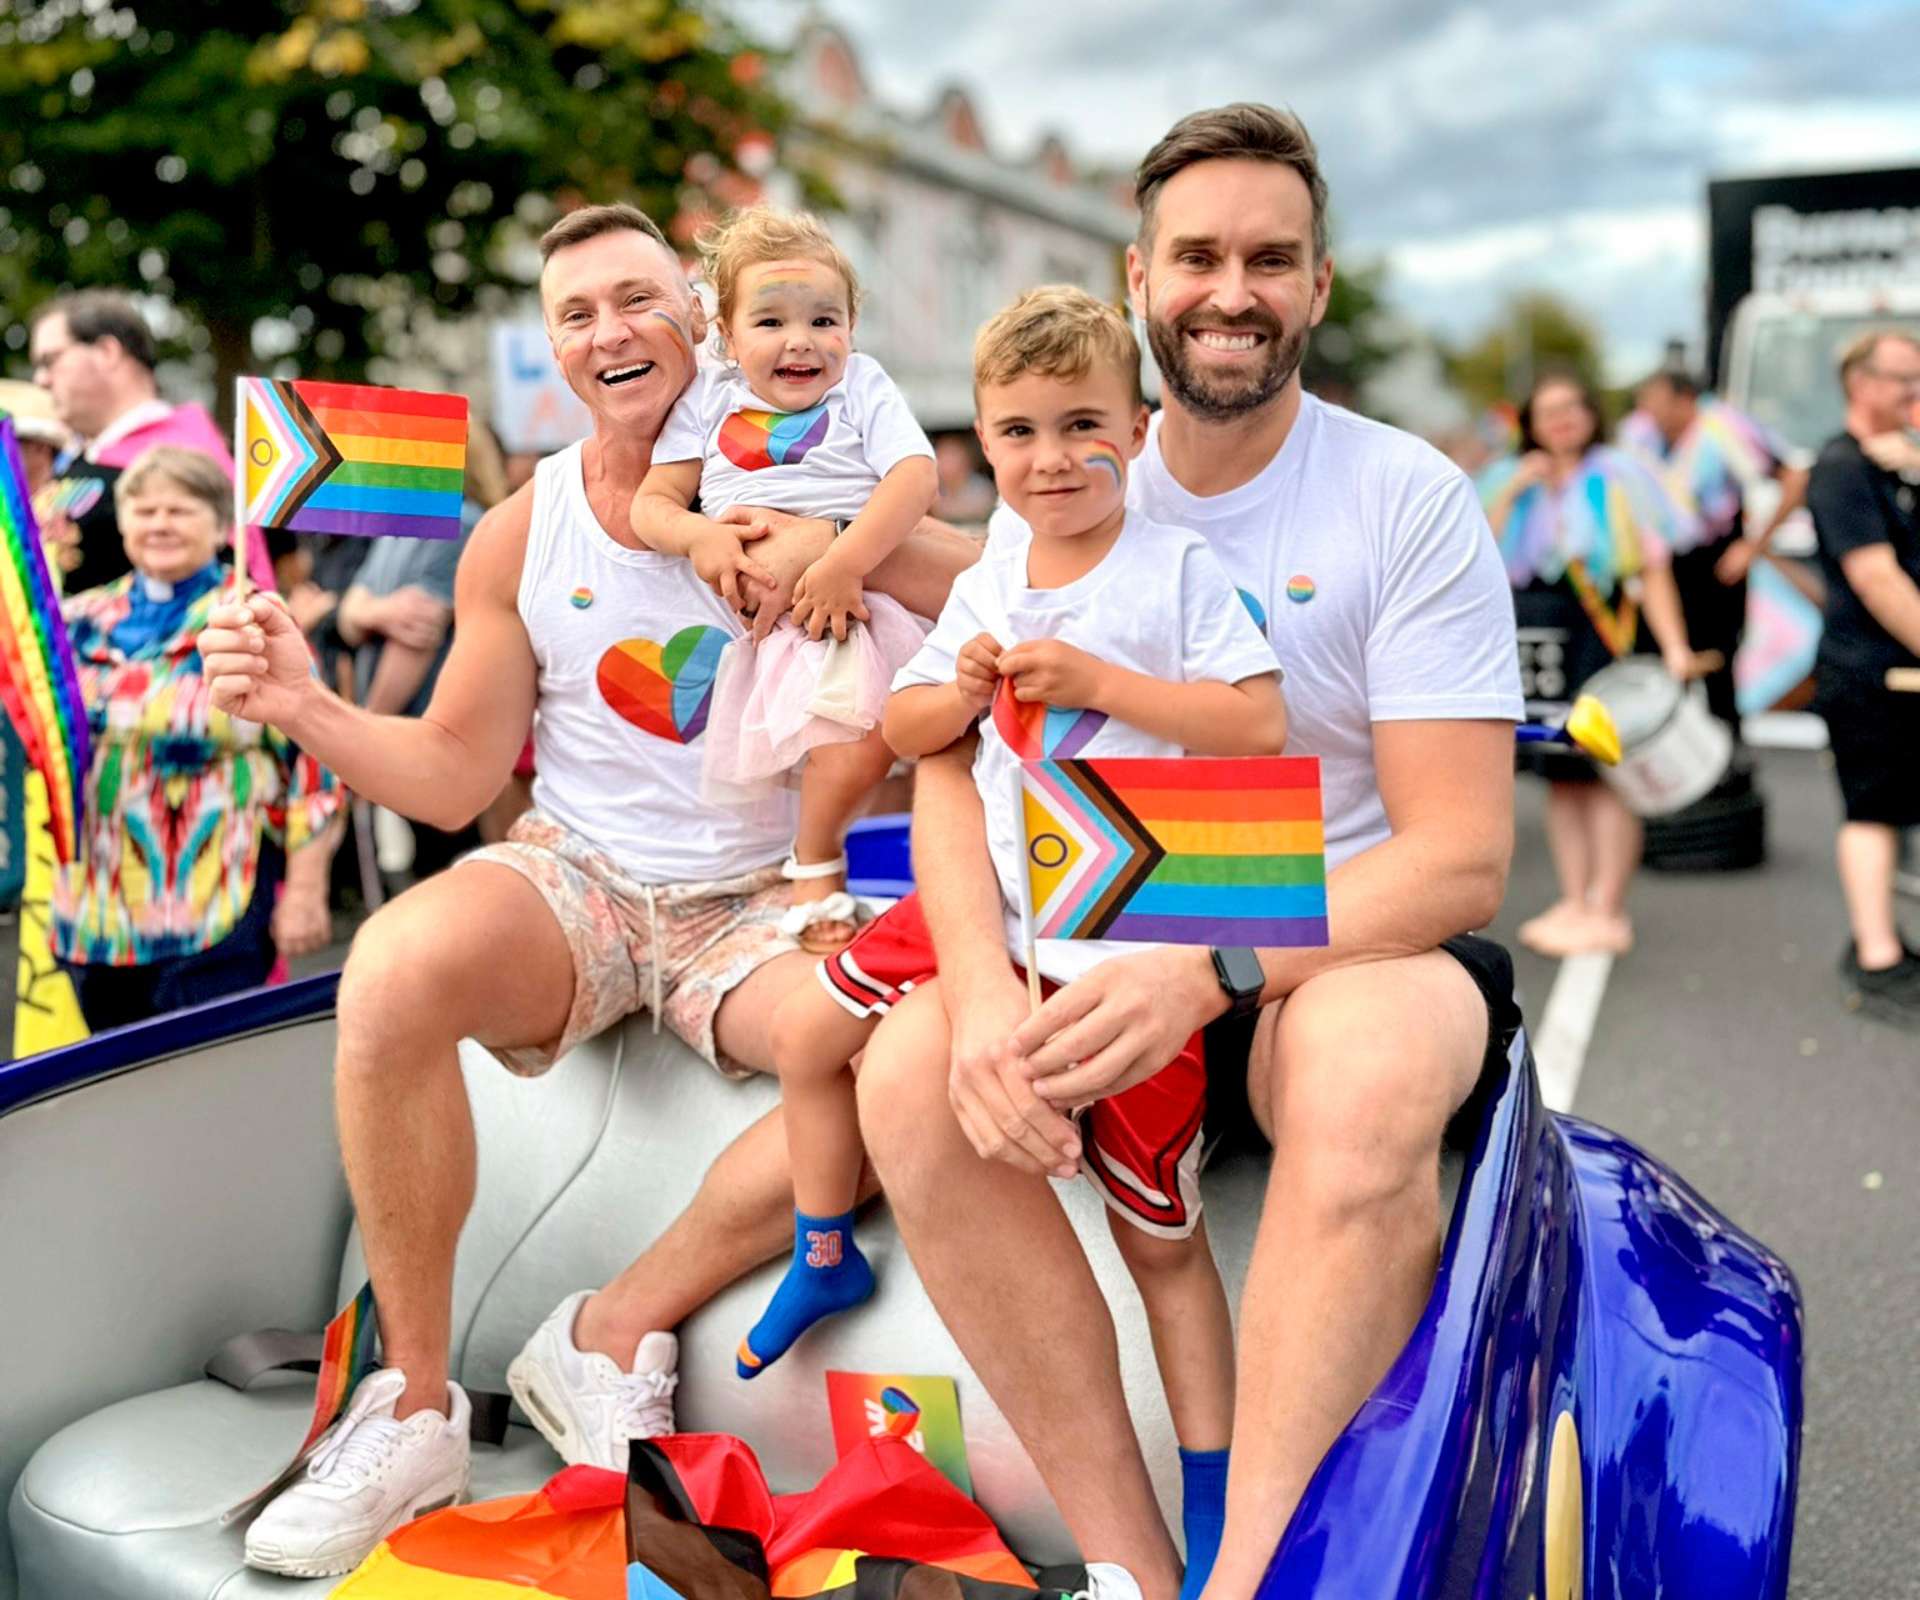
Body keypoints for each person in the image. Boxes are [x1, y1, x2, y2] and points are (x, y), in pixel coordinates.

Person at [197, 200, 976, 1579]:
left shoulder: (832, 460)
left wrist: (849, 550)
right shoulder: (522, 527)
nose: (611, 332)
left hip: (765, 900)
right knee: (389, 967)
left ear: (702, 313)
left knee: (886, 1056)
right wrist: (304, 704)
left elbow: (1003, 592)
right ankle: (419, 1402)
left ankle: (613, 1329)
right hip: (586, 878)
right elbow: (447, 776)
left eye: (637, 299)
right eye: (576, 314)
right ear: (555, 350)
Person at [852, 105, 1524, 1600]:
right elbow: (955, 760)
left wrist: (1205, 970)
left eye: (1272, 260)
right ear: (1140, 275)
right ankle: (1128, 1565)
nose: (1235, 291)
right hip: (1092, 940)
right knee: (908, 1070)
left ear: (1320, 287)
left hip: (1324, 950)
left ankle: (1258, 1578)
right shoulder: (1066, 474)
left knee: (1363, 1062)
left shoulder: (1404, 497)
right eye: (1202, 256)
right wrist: (973, 992)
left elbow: (1462, 859)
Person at [749, 287, 1284, 1597]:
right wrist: (957, 690)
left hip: (1128, 942)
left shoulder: (1173, 572)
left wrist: (1103, 687)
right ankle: (825, 1245)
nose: (1053, 459)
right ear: (982, 445)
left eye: (1083, 425)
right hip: (993, 916)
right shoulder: (990, 570)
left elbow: (1257, 728)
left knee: (1163, 1242)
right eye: (1021, 431)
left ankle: (1213, 1493)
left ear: (1137, 429)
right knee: (814, 1027)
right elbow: (923, 732)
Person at [633, 206, 938, 953]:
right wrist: (699, 533)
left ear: (852, 327)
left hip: (857, 603)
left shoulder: (862, 385)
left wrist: (843, 560)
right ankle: (815, 864)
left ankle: (827, 864)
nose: (800, 340)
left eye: (823, 320)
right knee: (836, 745)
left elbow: (914, 476)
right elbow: (653, 504)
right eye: (770, 322)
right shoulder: (708, 398)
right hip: (777, 625)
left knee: (868, 742)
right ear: (728, 336)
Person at [50, 447, 341, 1032]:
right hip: (96, 913)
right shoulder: (75, 619)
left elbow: (317, 766)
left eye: (179, 510)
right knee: (110, 1094)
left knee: (204, 1090)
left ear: (218, 524)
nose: (159, 524)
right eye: (145, 509)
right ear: (124, 522)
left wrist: (306, 890)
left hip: (216, 902)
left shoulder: (253, 622)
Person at [1481, 371, 1708, 957]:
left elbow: (1652, 569)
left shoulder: (1620, 476)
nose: (1561, 419)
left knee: (1607, 774)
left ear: (1591, 415)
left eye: (1572, 406)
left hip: (1602, 635)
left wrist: (1676, 647)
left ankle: (1607, 905)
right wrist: (1514, 489)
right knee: (1560, 776)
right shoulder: (1509, 478)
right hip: (1536, 641)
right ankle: (1574, 898)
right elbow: (1473, 551)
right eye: (1547, 408)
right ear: (1529, 422)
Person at [1804, 329, 1920, 1025]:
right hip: (1867, 674)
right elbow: (1877, 579)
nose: (1916, 392)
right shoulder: (1840, 466)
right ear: (1860, 383)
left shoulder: (1899, 461)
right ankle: (1878, 955)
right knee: (1872, 811)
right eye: (1904, 379)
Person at [27, 290, 275, 592]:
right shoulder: (82, 457)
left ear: (107, 352)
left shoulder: (185, 454)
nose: (41, 379)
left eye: (50, 360)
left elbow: (230, 589)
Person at [1621, 369, 1808, 736]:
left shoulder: (1726, 430)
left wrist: (1753, 546)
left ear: (1684, 399)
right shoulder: (1640, 439)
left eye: (1656, 402)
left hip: (1716, 563)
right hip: (1659, 562)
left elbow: (1794, 478)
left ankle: (1727, 769)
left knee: (1717, 666)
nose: (1648, 411)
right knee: (1659, 665)